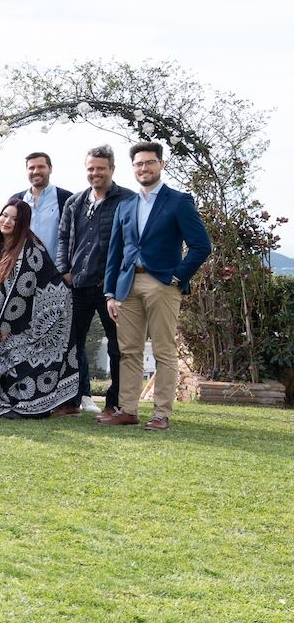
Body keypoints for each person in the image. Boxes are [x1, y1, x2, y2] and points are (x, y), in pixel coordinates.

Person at [101, 141, 211, 430]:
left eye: (150, 162)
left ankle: (161, 413)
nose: (144, 168)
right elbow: (115, 252)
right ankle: (128, 410)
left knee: (163, 350)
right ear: (133, 168)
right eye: (139, 164)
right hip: (127, 286)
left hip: (162, 283)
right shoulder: (126, 205)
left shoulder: (179, 201)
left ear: (161, 164)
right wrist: (110, 292)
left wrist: (177, 277)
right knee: (128, 351)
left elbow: (201, 245)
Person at [0, 199, 81, 418]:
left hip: (42, 310)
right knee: (6, 355)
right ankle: (12, 401)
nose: (7, 221)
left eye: (14, 219)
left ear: (23, 223)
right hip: (10, 308)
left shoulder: (29, 247)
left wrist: (6, 325)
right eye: (5, 215)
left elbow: (22, 289)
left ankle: (29, 406)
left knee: (23, 356)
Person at [58, 145, 134, 415]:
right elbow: (63, 238)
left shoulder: (128, 200)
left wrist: (118, 278)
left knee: (117, 347)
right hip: (78, 285)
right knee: (71, 345)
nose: (95, 173)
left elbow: (132, 243)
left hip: (111, 289)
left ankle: (114, 404)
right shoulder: (75, 202)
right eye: (91, 168)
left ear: (112, 169)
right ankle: (71, 401)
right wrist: (64, 270)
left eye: (101, 168)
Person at [12, 152, 73, 266]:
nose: (36, 171)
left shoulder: (66, 199)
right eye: (31, 168)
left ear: (50, 169)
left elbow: (74, 237)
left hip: (56, 270)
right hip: (23, 269)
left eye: (41, 167)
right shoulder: (16, 201)